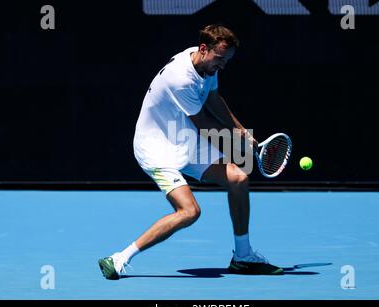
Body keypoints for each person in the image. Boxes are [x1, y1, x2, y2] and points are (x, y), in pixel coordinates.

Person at [98, 24, 283, 280]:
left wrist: (243, 132)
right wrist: (236, 143)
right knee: (190, 211)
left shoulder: (205, 64)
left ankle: (243, 257)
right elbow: (205, 125)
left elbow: (213, 99)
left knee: (239, 178)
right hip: (156, 150)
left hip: (183, 138)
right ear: (204, 49)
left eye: (227, 61)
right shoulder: (181, 78)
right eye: (220, 59)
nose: (223, 66)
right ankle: (119, 258)